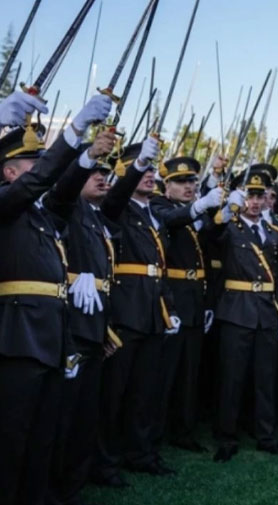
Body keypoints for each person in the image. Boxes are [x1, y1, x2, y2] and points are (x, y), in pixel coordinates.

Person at [0, 91, 111, 505]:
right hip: (18, 337)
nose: (42, 170)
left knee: (43, 435)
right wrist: (74, 130)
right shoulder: (7, 202)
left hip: (50, 336)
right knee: (13, 437)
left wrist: (82, 152)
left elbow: (60, 190)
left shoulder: (41, 215)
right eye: (33, 163)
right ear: (12, 173)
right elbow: (42, 179)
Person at [93, 136, 180, 483]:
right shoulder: (115, 206)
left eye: (149, 170)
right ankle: (106, 462)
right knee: (115, 393)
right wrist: (137, 164)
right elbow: (114, 197)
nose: (148, 176)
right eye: (138, 170)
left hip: (153, 310)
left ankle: (141, 453)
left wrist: (168, 307)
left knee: (146, 391)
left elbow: (160, 266)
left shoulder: (154, 212)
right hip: (126, 311)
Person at [44, 131, 121, 505]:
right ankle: (56, 486)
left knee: (85, 413)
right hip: (69, 325)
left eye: (106, 173)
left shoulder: (95, 216)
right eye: (94, 173)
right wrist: (85, 155)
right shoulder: (64, 207)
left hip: (93, 324)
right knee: (64, 413)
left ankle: (75, 483)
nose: (101, 177)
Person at [211, 168, 278, 462]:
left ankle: (266, 436)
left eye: (259, 196)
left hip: (266, 311)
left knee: (265, 378)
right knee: (232, 378)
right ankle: (227, 437)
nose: (255, 202)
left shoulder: (272, 233)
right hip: (237, 309)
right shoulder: (229, 227)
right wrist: (225, 206)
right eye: (249, 196)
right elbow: (211, 233)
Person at [149, 157, 223, 453]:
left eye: (192, 181)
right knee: (165, 373)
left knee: (189, 373)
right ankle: (154, 433)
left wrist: (223, 213)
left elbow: (210, 239)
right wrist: (201, 206)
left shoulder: (195, 212)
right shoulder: (159, 206)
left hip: (194, 298)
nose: (189, 186)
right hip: (172, 298)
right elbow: (174, 220)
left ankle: (183, 429)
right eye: (181, 182)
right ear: (166, 185)